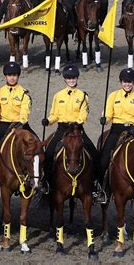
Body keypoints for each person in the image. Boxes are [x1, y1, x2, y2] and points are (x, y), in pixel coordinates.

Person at [41, 64, 100, 195]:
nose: (71, 80)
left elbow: (84, 114)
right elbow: (54, 114)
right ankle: (46, 182)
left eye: (74, 78)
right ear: (65, 80)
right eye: (69, 78)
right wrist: (48, 121)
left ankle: (95, 184)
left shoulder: (83, 95)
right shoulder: (58, 96)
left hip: (77, 129)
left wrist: (76, 123)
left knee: (95, 154)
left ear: (77, 79)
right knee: (48, 154)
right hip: (62, 129)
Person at [98, 68, 134, 203]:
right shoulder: (113, 96)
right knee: (103, 158)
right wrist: (105, 119)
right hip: (117, 129)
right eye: (125, 82)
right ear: (121, 82)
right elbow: (108, 113)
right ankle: (101, 189)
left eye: (130, 82)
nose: (127, 84)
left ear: (133, 82)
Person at [0, 62, 37, 188]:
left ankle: (39, 178)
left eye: (14, 75)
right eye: (9, 75)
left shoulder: (24, 93)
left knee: (38, 146)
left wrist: (20, 123)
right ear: (5, 76)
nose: (12, 77)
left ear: (18, 76)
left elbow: (25, 111)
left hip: (21, 124)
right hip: (4, 124)